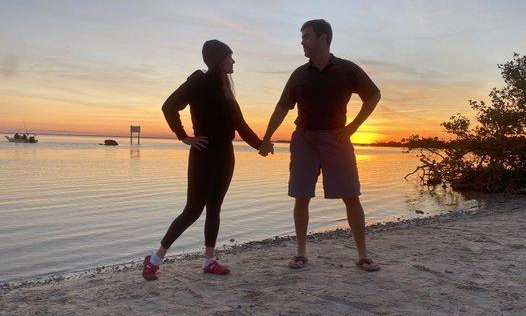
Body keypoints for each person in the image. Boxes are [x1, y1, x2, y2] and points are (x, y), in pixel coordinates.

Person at [143, 40, 273, 280]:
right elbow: (169, 106)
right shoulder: (199, 81)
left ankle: (209, 260)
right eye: (230, 57)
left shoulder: (226, 89)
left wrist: (260, 146)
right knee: (192, 210)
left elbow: (240, 125)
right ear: (218, 59)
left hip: (226, 154)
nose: (233, 61)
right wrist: (183, 136)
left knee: (215, 208)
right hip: (203, 154)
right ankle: (155, 258)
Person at [259, 19, 381, 272]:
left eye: (306, 36)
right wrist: (266, 137)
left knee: (351, 196)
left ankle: (363, 254)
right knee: (301, 196)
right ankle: (301, 253)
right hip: (304, 139)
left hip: (336, 139)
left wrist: (353, 127)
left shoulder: (346, 69)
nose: (302, 42)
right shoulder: (299, 74)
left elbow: (373, 95)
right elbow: (282, 107)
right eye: (302, 37)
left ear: (323, 38)